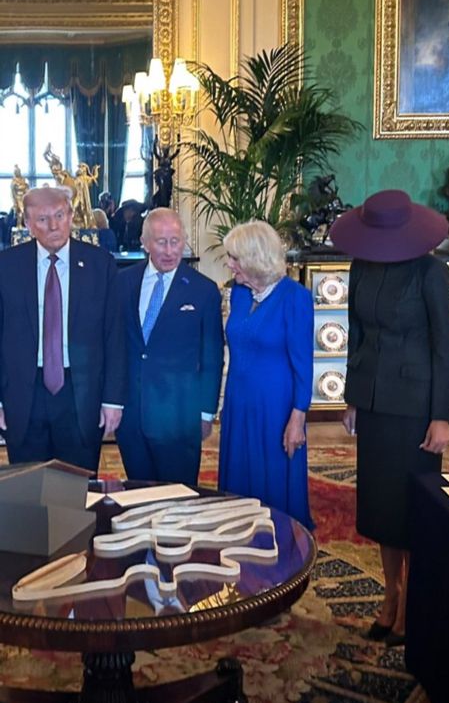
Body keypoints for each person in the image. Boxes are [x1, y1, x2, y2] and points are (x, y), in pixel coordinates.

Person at [331, 190, 449, 646]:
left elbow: (446, 348)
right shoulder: (362, 266)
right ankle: (391, 594)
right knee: (382, 510)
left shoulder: (431, 272)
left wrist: (442, 416)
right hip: (374, 404)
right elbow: (357, 335)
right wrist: (352, 397)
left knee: (413, 512)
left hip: (416, 406)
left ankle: (412, 606)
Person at [0, 186, 125, 471]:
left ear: (71, 216)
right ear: (28, 225)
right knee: (28, 490)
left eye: (59, 215)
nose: (54, 225)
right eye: (42, 219)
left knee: (76, 488)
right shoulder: (6, 266)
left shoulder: (100, 264)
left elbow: (114, 336)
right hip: (23, 396)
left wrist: (113, 400)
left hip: (81, 395)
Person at [116, 207, 224, 485]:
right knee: (138, 496)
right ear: (145, 243)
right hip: (132, 416)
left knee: (178, 499)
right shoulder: (121, 282)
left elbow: (212, 357)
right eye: (161, 242)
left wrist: (206, 412)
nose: (169, 250)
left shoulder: (204, 290)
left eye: (175, 241)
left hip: (179, 416)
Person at [218, 220, 314, 529]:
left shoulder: (294, 297)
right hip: (238, 401)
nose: (229, 264)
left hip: (276, 407)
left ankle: (282, 542)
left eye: (235, 258)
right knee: (239, 478)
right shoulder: (240, 294)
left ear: (255, 258)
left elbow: (303, 364)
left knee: (273, 481)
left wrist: (298, 418)